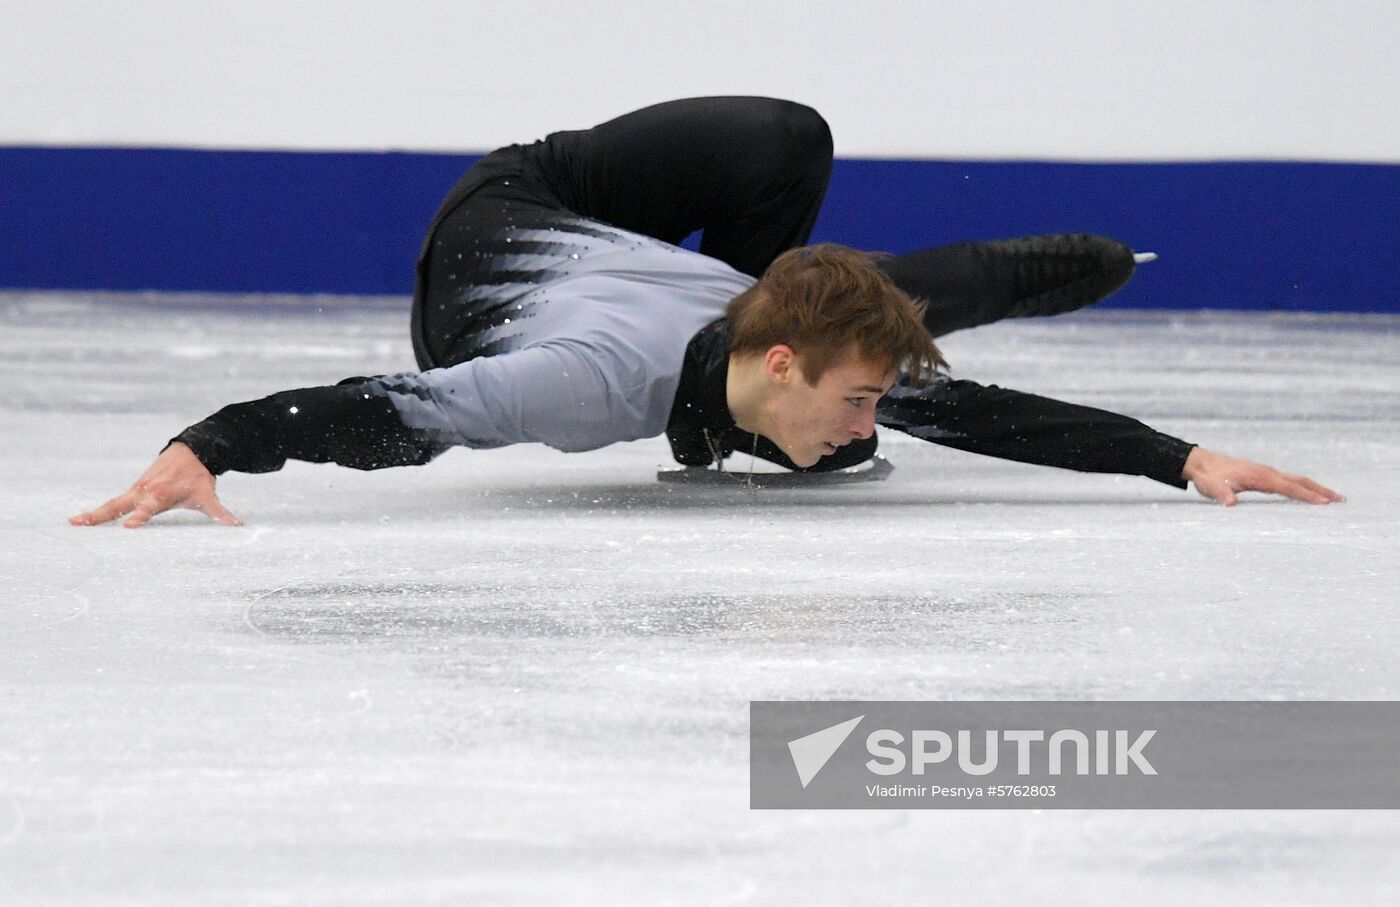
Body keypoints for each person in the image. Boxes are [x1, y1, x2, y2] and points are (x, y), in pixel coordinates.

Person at [70, 97, 1343, 529]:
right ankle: (922, 304)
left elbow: (992, 414)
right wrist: (211, 446)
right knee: (779, 140)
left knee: (893, 326)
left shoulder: (777, 334)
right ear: (775, 359)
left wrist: (1184, 460)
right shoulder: (573, 389)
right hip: (500, 238)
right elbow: (382, 411)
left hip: (688, 303)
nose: (873, 425)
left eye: (864, 405)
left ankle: (939, 297)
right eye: (852, 404)